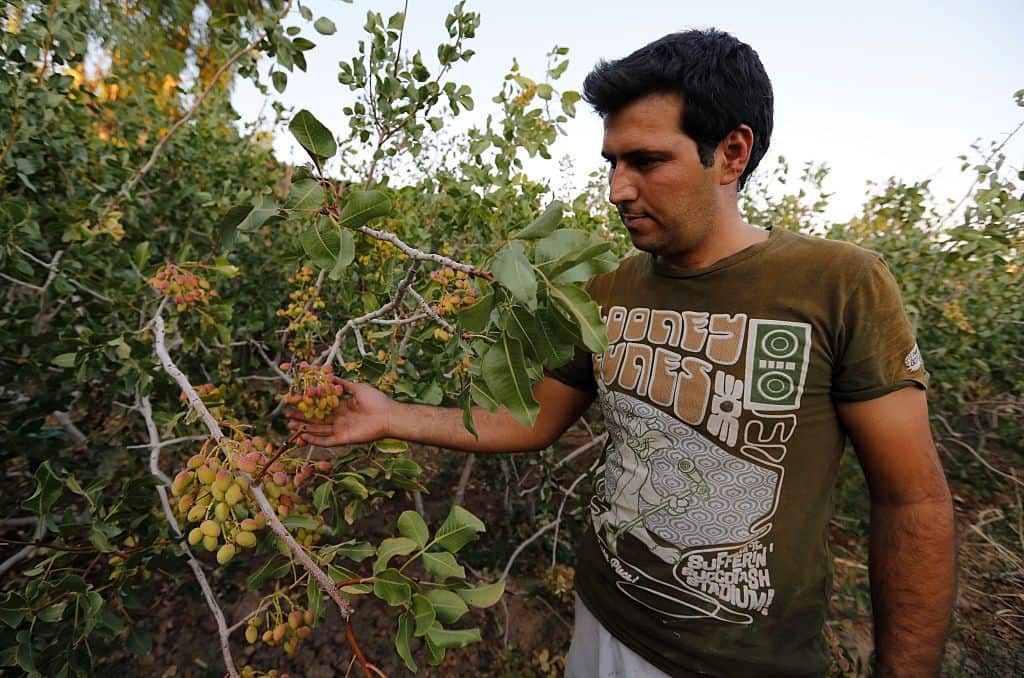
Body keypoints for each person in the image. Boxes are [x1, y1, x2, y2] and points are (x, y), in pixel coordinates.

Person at [287, 28, 956, 678]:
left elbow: (911, 500)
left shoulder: (840, 283)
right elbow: (534, 419)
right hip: (603, 617)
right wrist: (386, 416)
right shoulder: (603, 292)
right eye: (612, 163)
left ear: (731, 152)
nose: (617, 190)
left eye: (647, 161)